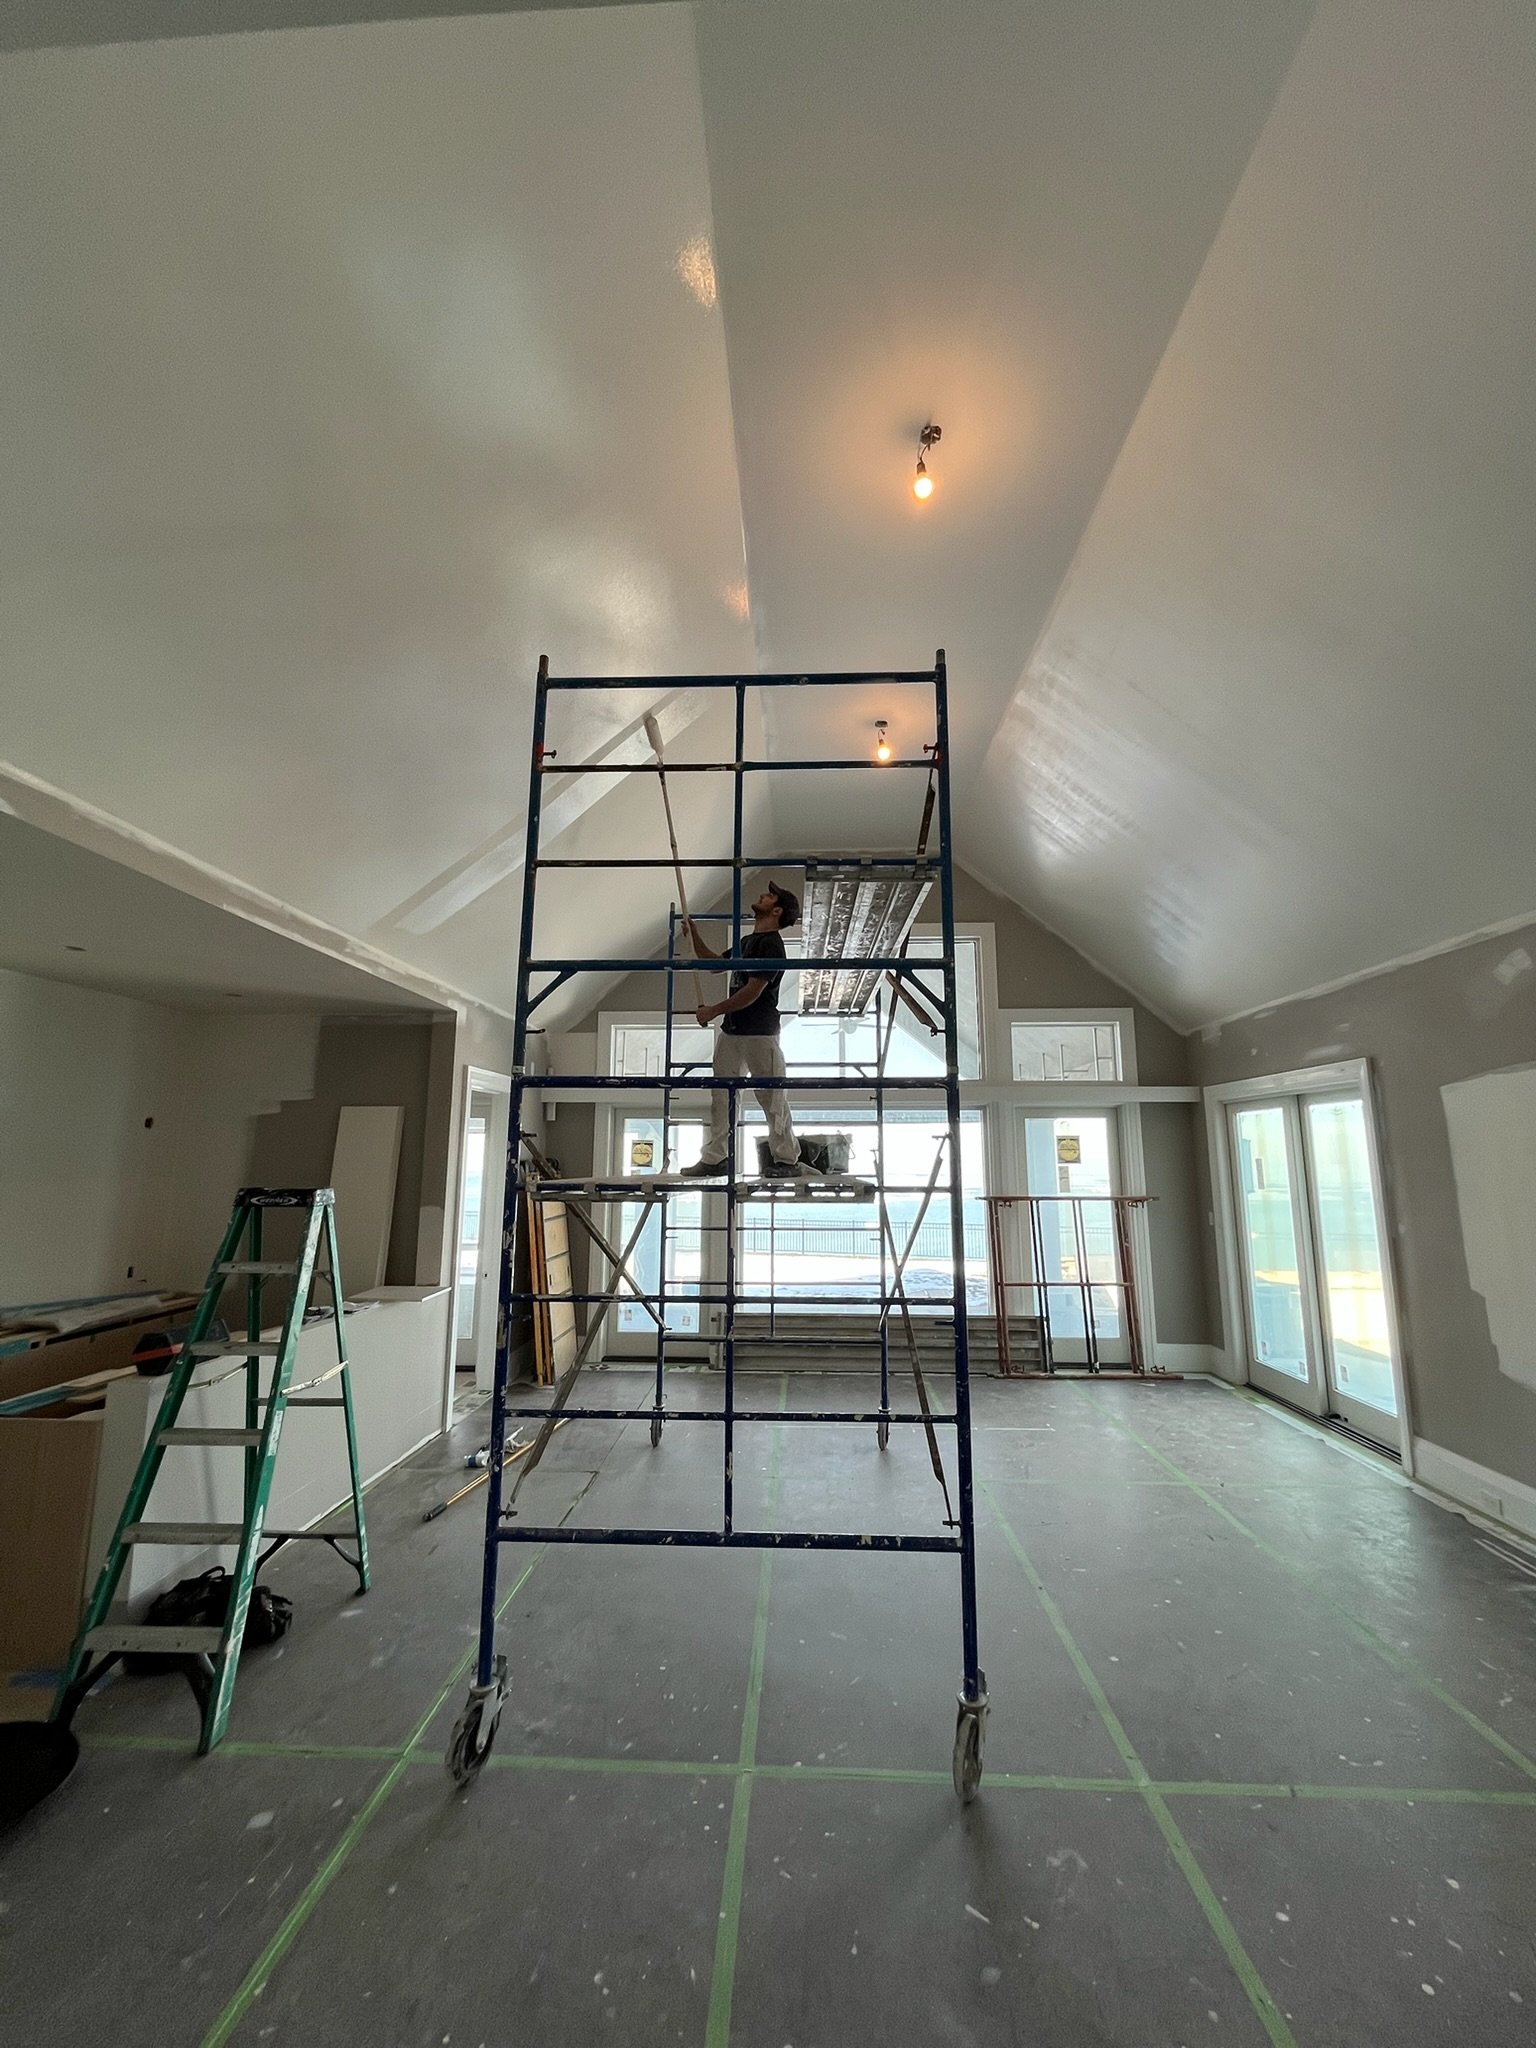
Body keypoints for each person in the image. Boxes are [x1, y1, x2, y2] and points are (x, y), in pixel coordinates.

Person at [679, 881, 801, 1178]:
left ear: (777, 910)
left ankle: (786, 1160)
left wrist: (713, 1010)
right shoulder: (748, 942)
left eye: (769, 895)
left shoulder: (772, 944)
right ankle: (716, 1158)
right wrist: (694, 936)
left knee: (772, 1099)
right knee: (722, 1098)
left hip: (759, 1033)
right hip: (733, 1032)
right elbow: (714, 965)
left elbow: (753, 991)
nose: (762, 895)